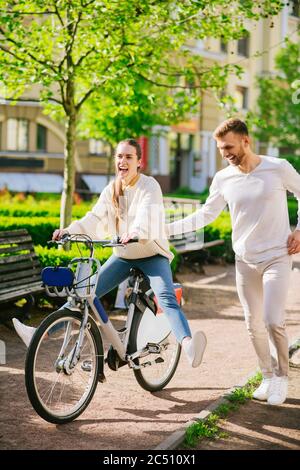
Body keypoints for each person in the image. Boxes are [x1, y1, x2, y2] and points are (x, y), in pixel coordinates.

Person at [13, 138, 207, 368]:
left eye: (128, 157)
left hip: (152, 254)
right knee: (82, 294)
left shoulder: (149, 185)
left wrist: (136, 232)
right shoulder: (111, 189)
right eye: (119, 156)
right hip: (124, 255)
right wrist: (68, 231)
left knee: (165, 297)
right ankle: (38, 334)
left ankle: (188, 345)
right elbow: (93, 218)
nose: (123, 161)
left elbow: (146, 213)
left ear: (139, 162)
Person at [166, 118, 300, 405]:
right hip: (244, 261)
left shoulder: (278, 168)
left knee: (273, 320)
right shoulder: (223, 178)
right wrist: (166, 229)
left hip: (277, 255)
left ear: (246, 141)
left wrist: (299, 229)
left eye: (228, 146)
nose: (224, 153)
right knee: (252, 324)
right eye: (220, 148)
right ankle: (266, 376)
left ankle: (281, 379)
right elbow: (205, 215)